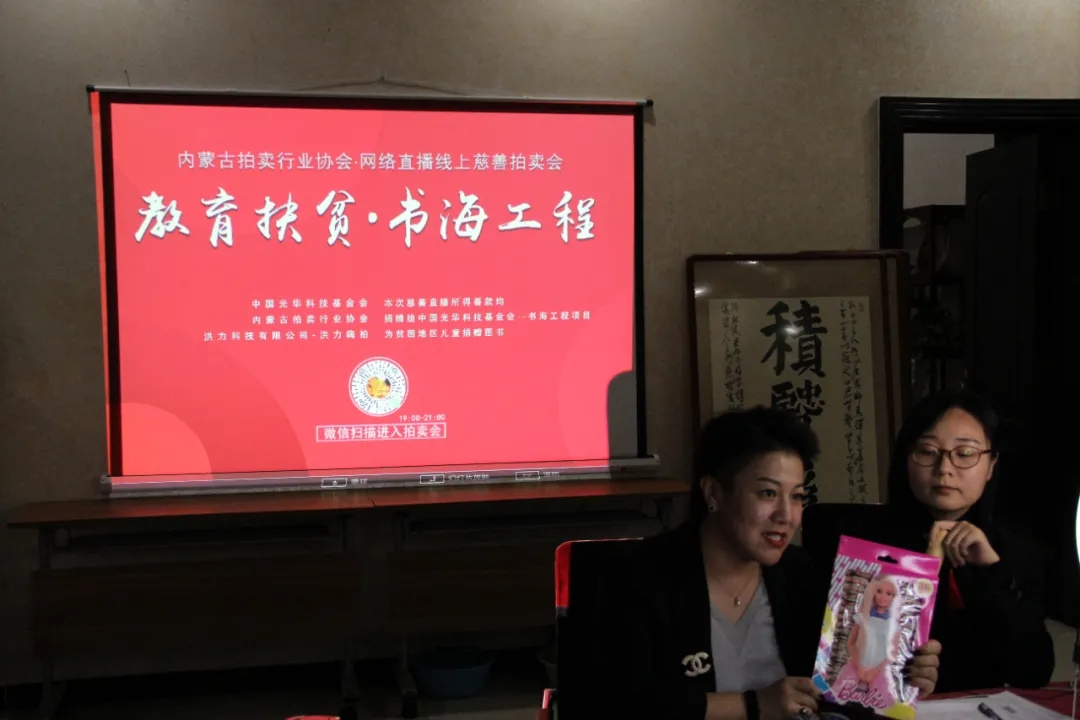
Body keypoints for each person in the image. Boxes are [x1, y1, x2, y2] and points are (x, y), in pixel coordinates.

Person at [591, 406, 940, 720]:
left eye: (797, 496)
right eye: (768, 493)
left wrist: (901, 673)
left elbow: (840, 689)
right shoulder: (639, 576)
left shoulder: (805, 575)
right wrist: (753, 706)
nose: (786, 516)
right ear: (714, 493)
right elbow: (620, 702)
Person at [877, 390, 1054, 692]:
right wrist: (924, 566)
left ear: (991, 465)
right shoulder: (866, 542)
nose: (944, 468)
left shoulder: (1016, 553)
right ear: (907, 458)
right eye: (928, 451)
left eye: (965, 453)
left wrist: (992, 573)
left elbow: (1033, 673)